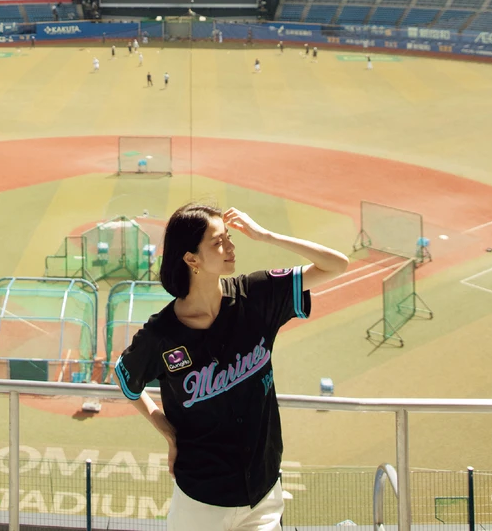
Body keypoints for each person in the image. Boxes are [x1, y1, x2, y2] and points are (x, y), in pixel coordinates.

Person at [115, 204, 348, 531]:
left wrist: (266, 235)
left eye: (229, 238)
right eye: (218, 242)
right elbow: (126, 380)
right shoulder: (161, 335)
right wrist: (168, 432)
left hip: (263, 498)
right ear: (191, 259)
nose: (231, 247)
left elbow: (337, 265)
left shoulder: (258, 295)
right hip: (199, 504)